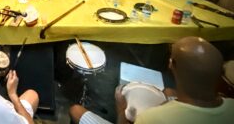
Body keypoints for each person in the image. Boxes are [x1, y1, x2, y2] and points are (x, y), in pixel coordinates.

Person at [69, 36, 234, 124]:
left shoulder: (153, 119)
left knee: (76, 110)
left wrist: (121, 110)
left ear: (171, 65)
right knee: (168, 91)